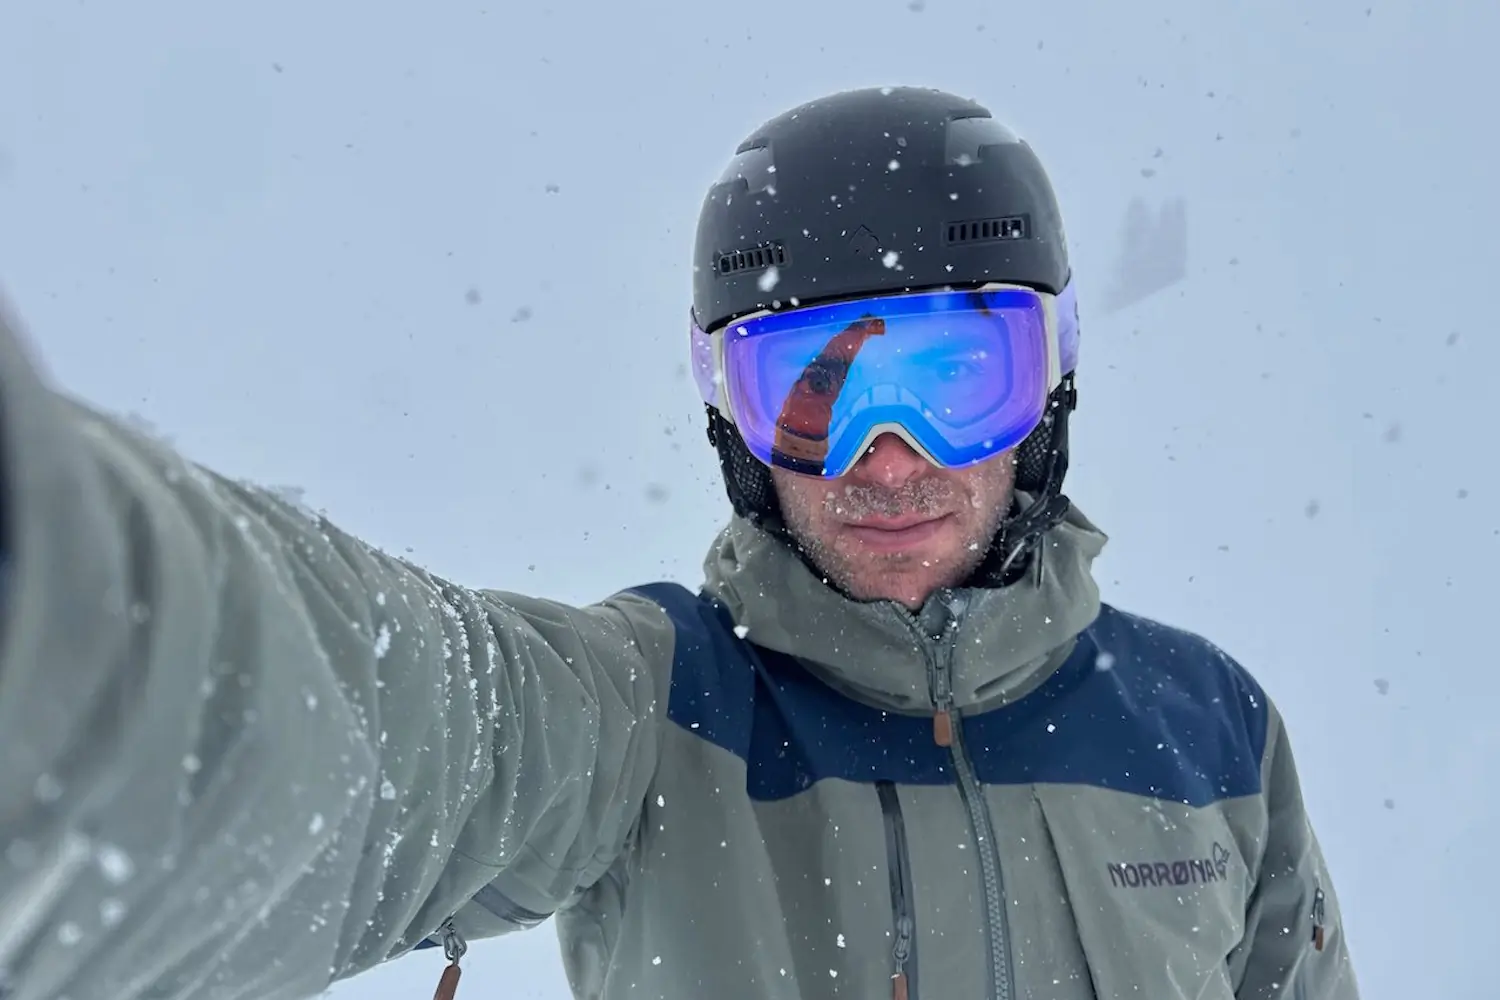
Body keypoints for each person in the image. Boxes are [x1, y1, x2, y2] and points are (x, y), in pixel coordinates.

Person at [0, 86, 1357, 1000]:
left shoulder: (1211, 735)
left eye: (952, 376)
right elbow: (378, 724)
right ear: (732, 419)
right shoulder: (654, 713)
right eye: (812, 389)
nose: (888, 454)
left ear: (1047, 381)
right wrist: (61, 619)